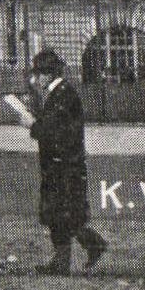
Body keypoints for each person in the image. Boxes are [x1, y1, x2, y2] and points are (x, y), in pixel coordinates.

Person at [27, 49, 107, 276]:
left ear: (48, 74)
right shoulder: (61, 93)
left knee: (64, 214)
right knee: (58, 214)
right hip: (61, 164)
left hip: (64, 166)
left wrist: (31, 125)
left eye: (39, 74)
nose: (35, 79)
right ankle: (64, 261)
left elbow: (52, 132)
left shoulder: (62, 95)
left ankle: (91, 246)